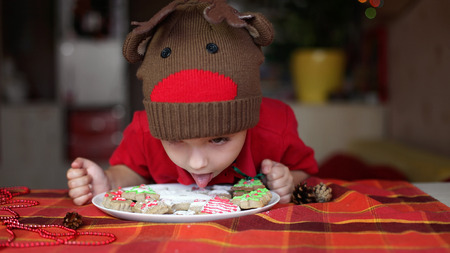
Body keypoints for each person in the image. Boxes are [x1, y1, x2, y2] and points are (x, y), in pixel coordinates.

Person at [67, 0, 318, 206]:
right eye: (176, 140)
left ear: (249, 118)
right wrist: (107, 182)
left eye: (218, 139)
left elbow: (305, 172)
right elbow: (132, 172)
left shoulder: (274, 126)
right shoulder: (146, 130)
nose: (198, 163)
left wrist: (288, 180)